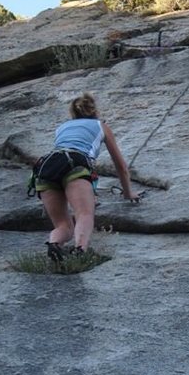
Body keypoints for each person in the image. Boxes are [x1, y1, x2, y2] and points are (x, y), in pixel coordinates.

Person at [34, 92, 140, 261]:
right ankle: (80, 250)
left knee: (64, 226)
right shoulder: (100, 125)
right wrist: (128, 193)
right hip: (75, 163)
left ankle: (54, 243)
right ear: (94, 111)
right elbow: (121, 166)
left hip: (46, 167)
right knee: (84, 214)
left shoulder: (62, 127)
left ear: (73, 113)